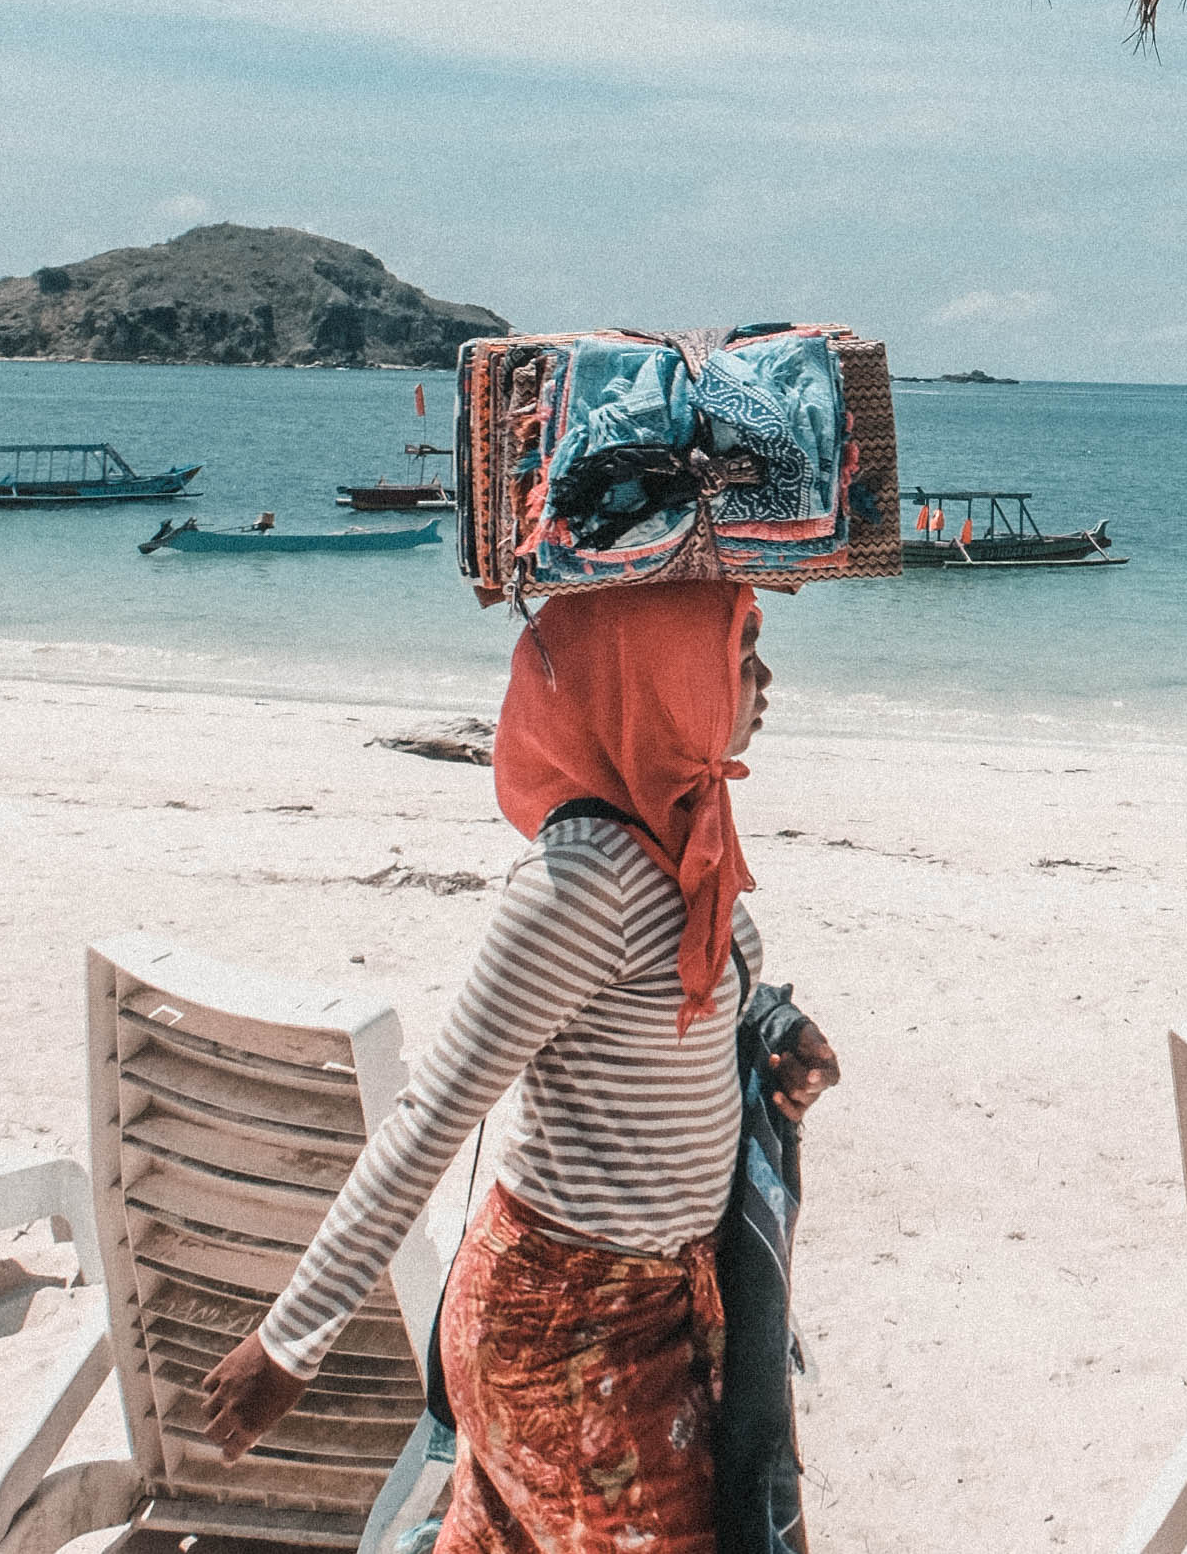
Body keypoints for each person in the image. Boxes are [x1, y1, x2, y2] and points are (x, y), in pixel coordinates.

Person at [201, 579, 837, 1553]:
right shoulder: (578, 882)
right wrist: (291, 1342)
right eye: (740, 653)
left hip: (654, 1302)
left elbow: (690, 998)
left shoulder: (675, 832)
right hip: (568, 1325)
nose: (766, 679)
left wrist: (773, 1033)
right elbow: (431, 1116)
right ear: (661, 680)